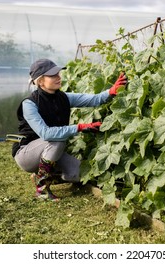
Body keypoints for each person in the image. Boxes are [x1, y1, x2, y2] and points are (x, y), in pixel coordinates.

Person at [12, 58, 127, 201]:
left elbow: (94, 99)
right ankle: (42, 190)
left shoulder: (63, 98)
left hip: (50, 150)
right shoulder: (29, 104)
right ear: (40, 81)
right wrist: (79, 127)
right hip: (26, 153)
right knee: (57, 141)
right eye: (53, 75)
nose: (58, 77)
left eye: (58, 74)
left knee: (78, 173)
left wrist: (111, 91)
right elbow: (46, 133)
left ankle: (45, 175)